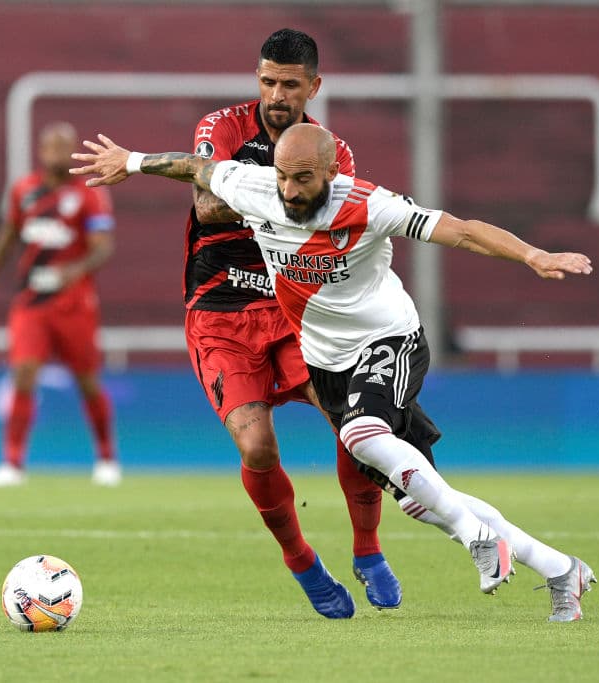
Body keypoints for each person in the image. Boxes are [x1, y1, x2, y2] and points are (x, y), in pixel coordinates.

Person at [70, 123, 598, 622]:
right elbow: (193, 168)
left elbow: (461, 231)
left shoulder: (369, 204)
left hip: (389, 343)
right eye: (282, 175)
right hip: (327, 363)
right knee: (421, 497)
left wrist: (533, 255)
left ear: (330, 173)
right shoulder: (253, 187)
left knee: (360, 434)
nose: (290, 190)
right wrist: (132, 161)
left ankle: (477, 537)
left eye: (303, 178)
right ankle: (561, 570)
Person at [164, 28, 414, 619]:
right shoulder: (221, 127)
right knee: (256, 447)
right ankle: (301, 559)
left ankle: (368, 548)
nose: (277, 94)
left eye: (290, 84)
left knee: (355, 427)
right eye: (268, 80)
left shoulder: (334, 150)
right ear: (258, 78)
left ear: (313, 87)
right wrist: (293, 195)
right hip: (219, 310)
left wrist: (255, 192)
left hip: (295, 312)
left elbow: (336, 223)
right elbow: (206, 203)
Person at [0, 121, 122, 488]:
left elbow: (103, 247)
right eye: (49, 145)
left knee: (87, 381)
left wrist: (75, 270)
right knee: (23, 375)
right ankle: (12, 464)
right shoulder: (24, 191)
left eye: (62, 145)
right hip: (31, 302)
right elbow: (6, 238)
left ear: (72, 151)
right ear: (40, 150)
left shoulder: (90, 192)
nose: (55, 151)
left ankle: (106, 458)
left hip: (74, 303)